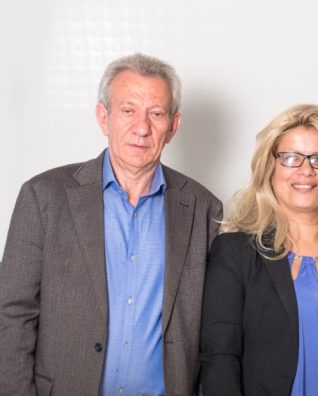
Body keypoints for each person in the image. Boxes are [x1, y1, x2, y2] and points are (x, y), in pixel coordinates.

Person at [0, 53, 222, 395]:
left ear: (173, 126)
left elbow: (215, 328)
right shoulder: (44, 196)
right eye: (128, 110)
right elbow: (12, 314)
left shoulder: (203, 208)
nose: (142, 127)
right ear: (104, 117)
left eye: (156, 113)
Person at [199, 104, 318, 395]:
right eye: (290, 158)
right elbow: (218, 360)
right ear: (270, 169)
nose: (306, 170)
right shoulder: (235, 253)